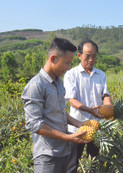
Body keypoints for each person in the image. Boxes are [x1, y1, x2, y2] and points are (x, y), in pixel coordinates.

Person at [21, 37, 89, 173]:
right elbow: (35, 125)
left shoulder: (58, 83)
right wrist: (68, 137)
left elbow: (60, 111)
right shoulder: (36, 86)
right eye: (66, 63)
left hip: (64, 151)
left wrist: (79, 124)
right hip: (48, 156)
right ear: (53, 59)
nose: (69, 68)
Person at [64, 39, 112, 173]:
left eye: (94, 56)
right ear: (79, 56)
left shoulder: (101, 75)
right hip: (77, 127)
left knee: (94, 162)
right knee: (72, 163)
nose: (91, 59)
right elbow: (72, 100)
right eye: (87, 56)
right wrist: (89, 110)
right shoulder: (71, 74)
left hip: (96, 127)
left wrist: (108, 106)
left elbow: (105, 95)